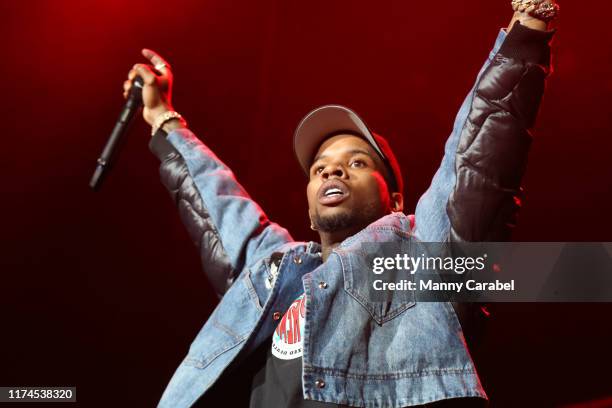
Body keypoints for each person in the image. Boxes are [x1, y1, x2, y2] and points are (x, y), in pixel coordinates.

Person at [123, 1, 558, 406]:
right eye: (319, 169)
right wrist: (162, 116)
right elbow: (215, 204)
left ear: (397, 200)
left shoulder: (421, 251)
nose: (332, 171)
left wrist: (528, 23)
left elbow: (477, 156)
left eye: (357, 161)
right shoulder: (273, 268)